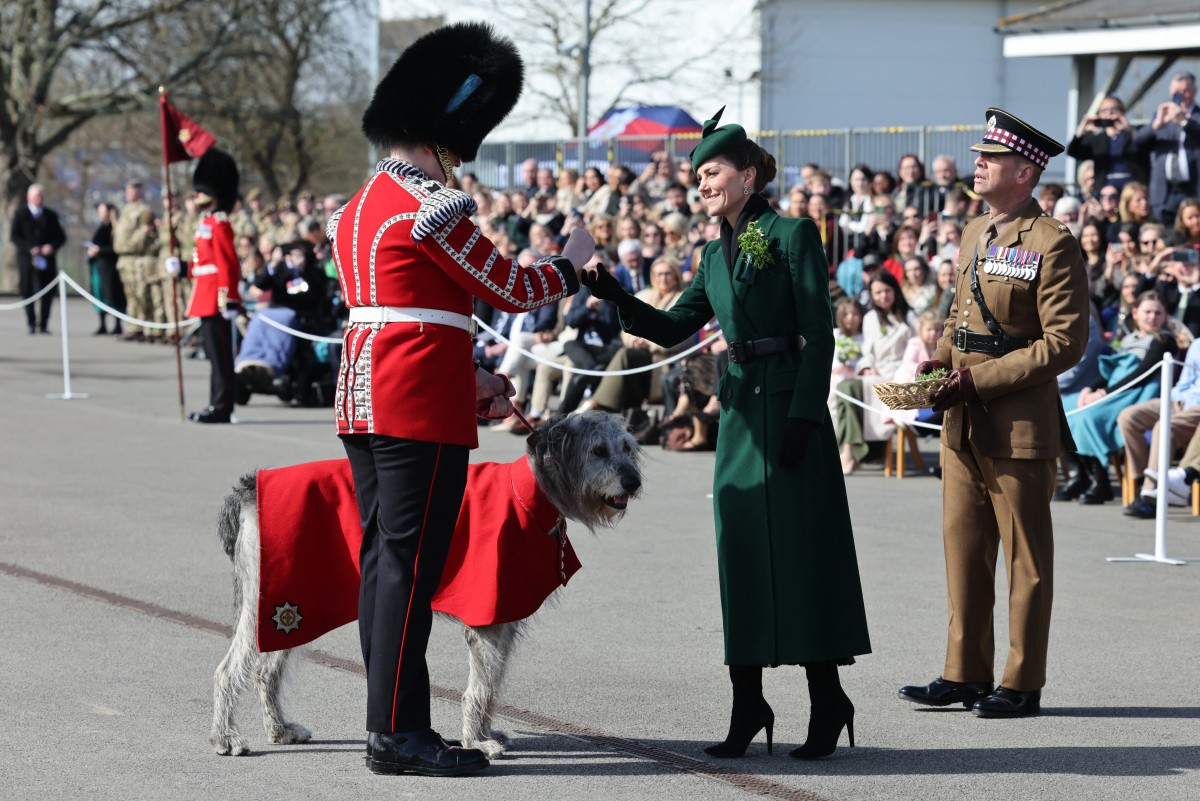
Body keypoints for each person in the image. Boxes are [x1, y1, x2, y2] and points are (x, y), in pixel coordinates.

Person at [329, 23, 591, 778]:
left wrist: (470, 372)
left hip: (369, 392)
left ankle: (388, 720)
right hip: (414, 402)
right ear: (441, 136)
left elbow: (414, 307)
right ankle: (398, 731)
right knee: (410, 567)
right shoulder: (429, 206)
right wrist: (570, 267)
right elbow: (508, 286)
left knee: (385, 562)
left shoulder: (359, 207)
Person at [582, 106, 871, 761]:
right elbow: (672, 328)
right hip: (740, 414)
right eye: (696, 177)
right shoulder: (712, 252)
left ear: (748, 175)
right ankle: (749, 701)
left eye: (710, 173)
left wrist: (804, 413)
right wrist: (614, 293)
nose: (701, 185)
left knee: (802, 556)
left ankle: (827, 698)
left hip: (789, 406)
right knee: (741, 557)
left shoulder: (795, 233)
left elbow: (819, 331)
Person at [898, 108, 1088, 718]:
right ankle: (964, 672)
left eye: (992, 158)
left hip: (1018, 420)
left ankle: (1021, 680)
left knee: (1024, 560)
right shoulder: (975, 232)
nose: (978, 164)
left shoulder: (1052, 241)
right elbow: (962, 319)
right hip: (962, 418)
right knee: (964, 548)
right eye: (979, 155)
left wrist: (975, 380)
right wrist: (936, 364)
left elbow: (1063, 343)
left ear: (1026, 171)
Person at [165, 148, 243, 423]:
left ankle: (222, 406)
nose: (196, 195)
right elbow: (205, 264)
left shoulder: (220, 224)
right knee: (213, 355)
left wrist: (227, 299)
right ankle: (216, 403)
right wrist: (184, 267)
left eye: (201, 191)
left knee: (220, 357)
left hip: (216, 298)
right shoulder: (207, 222)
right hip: (205, 294)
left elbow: (226, 264)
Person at [1133, 72, 1200, 224]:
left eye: (1185, 91)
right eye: (1177, 91)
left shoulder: (1197, 116)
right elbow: (1138, 142)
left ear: (1194, 92)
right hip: (1165, 191)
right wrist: (1156, 126)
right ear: (1170, 92)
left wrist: (1185, 122)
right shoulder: (1161, 115)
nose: (1181, 95)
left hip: (1193, 188)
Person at [10, 183, 67, 335]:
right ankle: (31, 322)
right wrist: (29, 248)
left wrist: (51, 247)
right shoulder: (20, 214)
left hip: (47, 261)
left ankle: (44, 324)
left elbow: (61, 237)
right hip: (27, 260)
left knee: (47, 292)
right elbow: (14, 236)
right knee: (27, 290)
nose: (39, 199)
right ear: (29, 198)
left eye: (41, 196)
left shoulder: (50, 215)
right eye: (36, 196)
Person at [1066, 95, 1147, 191]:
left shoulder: (1134, 134)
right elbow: (1072, 151)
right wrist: (1082, 128)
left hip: (1132, 191)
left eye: (1114, 109)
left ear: (1122, 111)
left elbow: (1146, 145)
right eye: (1104, 111)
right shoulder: (1096, 139)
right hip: (1107, 193)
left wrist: (1128, 129)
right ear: (1099, 114)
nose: (1109, 113)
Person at [113, 179, 160, 342]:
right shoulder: (125, 210)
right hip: (124, 259)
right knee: (130, 295)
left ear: (140, 192)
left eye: (134, 190)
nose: (130, 194)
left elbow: (146, 233)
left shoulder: (143, 210)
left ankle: (142, 326)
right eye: (128, 190)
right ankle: (133, 325)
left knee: (141, 295)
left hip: (136, 259)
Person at [87, 201, 124, 336]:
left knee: (113, 295)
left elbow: (116, 247)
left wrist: (100, 250)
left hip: (111, 267)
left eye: (103, 212)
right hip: (99, 266)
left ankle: (117, 324)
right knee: (99, 294)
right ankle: (102, 324)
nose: (101, 215)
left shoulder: (115, 229)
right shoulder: (101, 227)